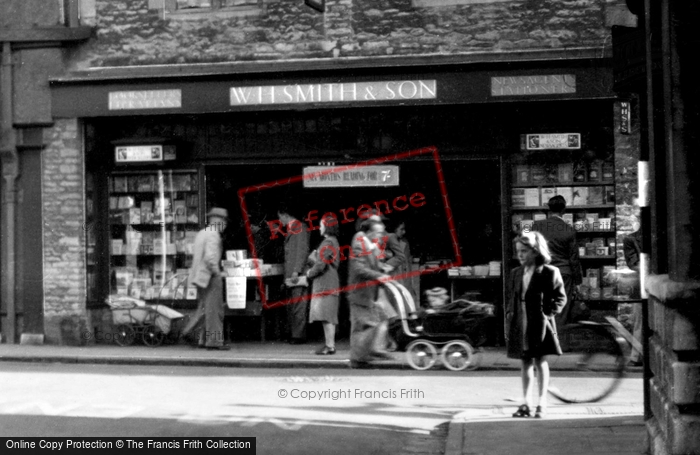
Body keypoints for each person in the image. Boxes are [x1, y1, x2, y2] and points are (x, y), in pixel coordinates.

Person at [506, 231, 567, 418]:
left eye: (524, 251)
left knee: (540, 360)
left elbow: (560, 297)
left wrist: (547, 314)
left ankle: (542, 403)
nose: (520, 255)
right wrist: (510, 317)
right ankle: (526, 403)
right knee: (525, 361)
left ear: (536, 251)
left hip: (539, 322)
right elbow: (513, 298)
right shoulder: (516, 273)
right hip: (520, 320)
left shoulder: (549, 272)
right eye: (518, 251)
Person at [347, 214, 393, 368]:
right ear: (371, 231)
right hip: (360, 293)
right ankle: (359, 359)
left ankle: (371, 351)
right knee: (366, 325)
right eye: (380, 233)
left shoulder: (371, 244)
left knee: (381, 319)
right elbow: (359, 268)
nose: (382, 236)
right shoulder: (360, 240)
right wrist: (379, 275)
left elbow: (371, 263)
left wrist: (381, 268)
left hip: (368, 293)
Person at [182, 207, 230, 350]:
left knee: (204, 309)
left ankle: (201, 339)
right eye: (224, 221)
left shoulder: (202, 233)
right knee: (214, 311)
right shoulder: (213, 235)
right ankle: (214, 342)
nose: (225, 225)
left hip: (199, 277)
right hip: (209, 277)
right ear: (218, 221)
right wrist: (218, 272)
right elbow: (210, 258)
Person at [532, 195, 582, 326]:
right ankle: (560, 345)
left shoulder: (537, 226)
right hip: (564, 273)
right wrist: (578, 282)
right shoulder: (569, 230)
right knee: (561, 310)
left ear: (549, 209)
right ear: (564, 210)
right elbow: (574, 258)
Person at [305, 216, 340, 355]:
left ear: (327, 226)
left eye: (321, 225)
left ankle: (330, 346)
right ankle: (329, 345)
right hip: (328, 281)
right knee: (327, 315)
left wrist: (309, 273)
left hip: (326, 282)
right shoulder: (332, 242)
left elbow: (321, 264)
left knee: (327, 315)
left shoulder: (328, 242)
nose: (319, 228)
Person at [278, 205, 310, 344]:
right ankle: (294, 333)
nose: (280, 221)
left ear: (285, 215)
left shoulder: (300, 228)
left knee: (298, 305)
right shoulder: (293, 229)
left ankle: (298, 335)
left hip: (296, 274)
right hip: (291, 275)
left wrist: (296, 270)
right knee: (292, 305)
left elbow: (302, 251)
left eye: (279, 217)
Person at [623, 224, 643, 366]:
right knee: (639, 322)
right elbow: (633, 264)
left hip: (643, 282)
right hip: (640, 285)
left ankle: (637, 357)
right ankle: (636, 357)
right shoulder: (631, 239)